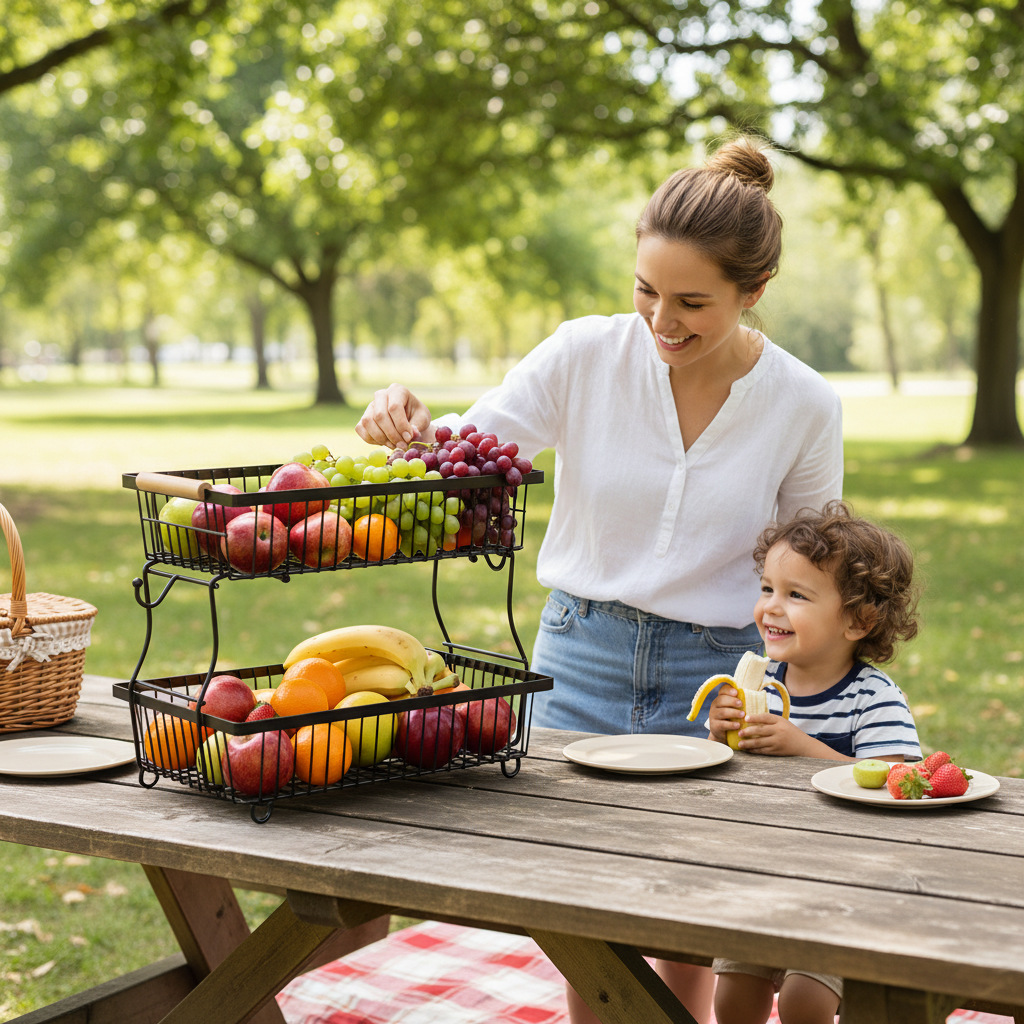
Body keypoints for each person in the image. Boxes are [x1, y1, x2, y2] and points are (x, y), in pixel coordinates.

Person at [357, 136, 843, 1024]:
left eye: (693, 301)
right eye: (646, 289)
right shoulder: (583, 355)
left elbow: (813, 568)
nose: (663, 319)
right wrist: (407, 424)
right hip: (580, 655)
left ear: (754, 293)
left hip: (719, 678)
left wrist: (802, 691)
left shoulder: (804, 403)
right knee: (585, 909)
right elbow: (468, 457)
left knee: (689, 909)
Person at [707, 501, 921, 1024]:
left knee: (806, 1001)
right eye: (767, 589)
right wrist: (720, 733)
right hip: (766, 873)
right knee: (731, 998)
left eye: (795, 595)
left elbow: (899, 783)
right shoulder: (764, 684)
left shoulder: (873, 698)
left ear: (858, 620)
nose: (771, 608)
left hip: (848, 885)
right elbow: (724, 776)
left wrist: (801, 747)